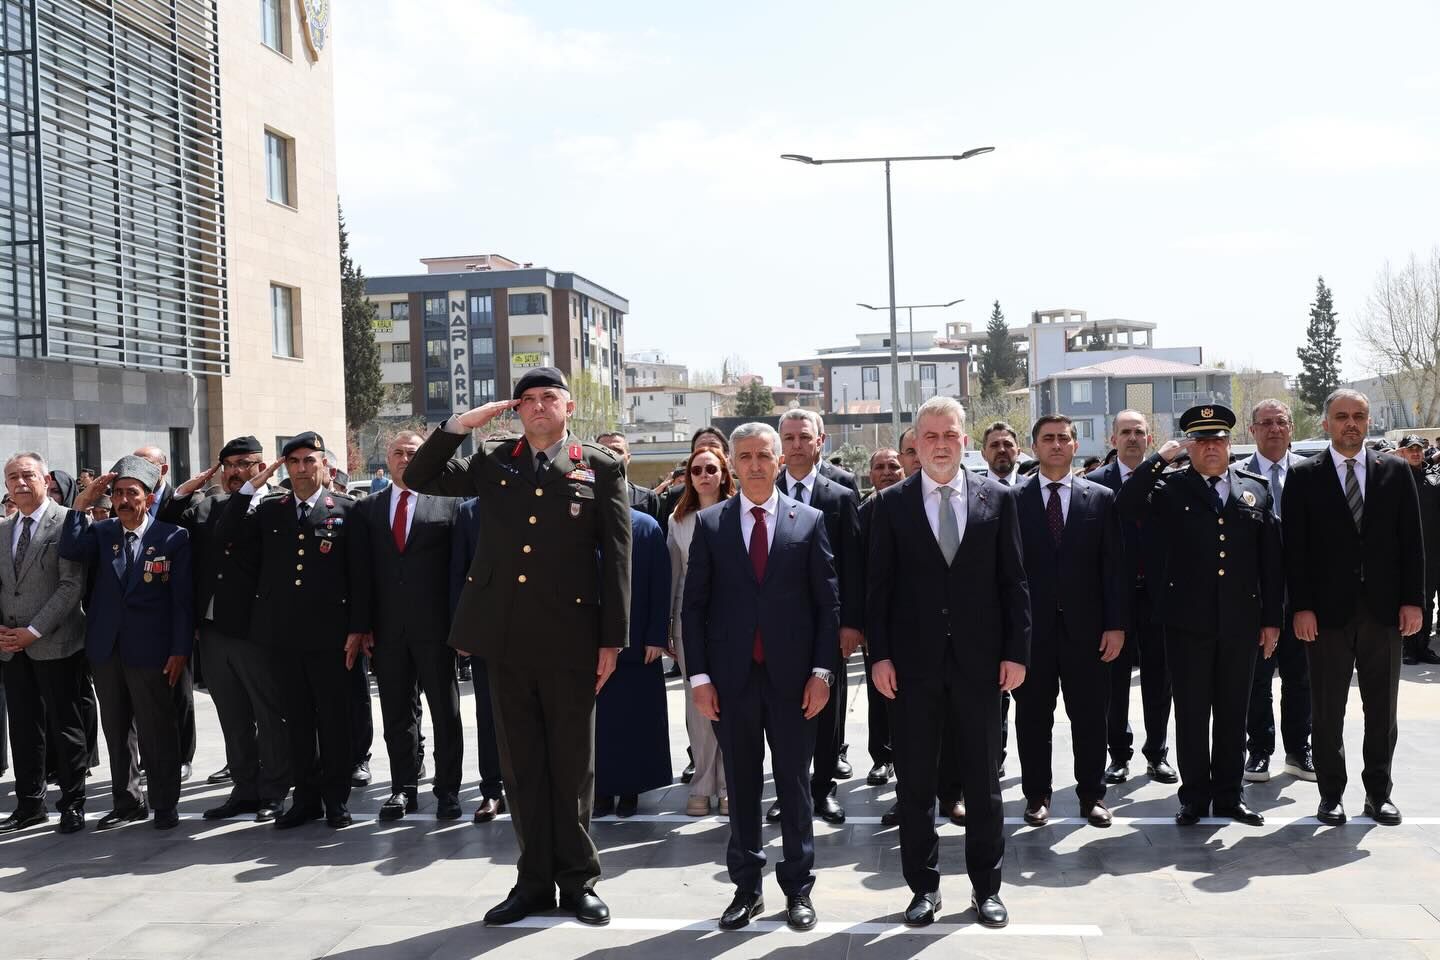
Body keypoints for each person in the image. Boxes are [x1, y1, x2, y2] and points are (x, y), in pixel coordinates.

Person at [404, 367, 632, 928]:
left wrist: (613, 639)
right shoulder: (492, 459)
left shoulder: (598, 467)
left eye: (548, 398)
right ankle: (532, 881)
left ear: (569, 406)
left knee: (572, 766)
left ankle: (579, 881)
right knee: (520, 765)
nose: (536, 407)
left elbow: (618, 558)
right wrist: (462, 424)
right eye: (527, 399)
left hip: (571, 637)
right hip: (502, 636)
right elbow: (419, 475)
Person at [868, 396, 1029, 929]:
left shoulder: (999, 499)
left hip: (982, 667)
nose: (940, 445)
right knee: (915, 785)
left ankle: (988, 888)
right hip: (911, 671)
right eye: (929, 436)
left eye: (950, 435)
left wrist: (1016, 653)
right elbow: (880, 591)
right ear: (915, 443)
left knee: (983, 785)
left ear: (965, 440)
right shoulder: (891, 506)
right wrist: (881, 656)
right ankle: (923, 888)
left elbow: (1014, 584)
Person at [681, 421, 838, 932]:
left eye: (762, 456)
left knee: (794, 787)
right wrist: (700, 678)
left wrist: (822, 673)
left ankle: (798, 890)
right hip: (731, 682)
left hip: (794, 682)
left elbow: (827, 607)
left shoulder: (809, 521)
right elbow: (694, 608)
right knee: (743, 788)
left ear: (778, 461)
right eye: (743, 456)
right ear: (732, 463)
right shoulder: (711, 525)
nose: (753, 465)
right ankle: (746, 889)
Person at [1116, 404, 1283, 826]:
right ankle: (1193, 796)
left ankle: (1229, 795)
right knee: (1191, 712)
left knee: (1233, 711)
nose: (1211, 447)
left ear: (1230, 442)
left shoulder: (1254, 488)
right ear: (1190, 445)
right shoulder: (1170, 488)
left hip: (1240, 621)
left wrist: (1271, 620)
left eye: (1219, 439)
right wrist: (1160, 458)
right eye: (1202, 440)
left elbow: (1270, 563)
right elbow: (1126, 504)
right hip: (1187, 622)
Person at [1282, 389, 1424, 826]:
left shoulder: (1396, 471)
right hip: (1326, 614)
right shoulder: (1305, 475)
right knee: (1327, 709)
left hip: (1383, 611)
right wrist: (1301, 607)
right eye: (1342, 416)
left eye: (1359, 416)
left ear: (1368, 421)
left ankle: (1378, 793)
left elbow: (1412, 543)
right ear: (1326, 423)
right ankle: (1330, 795)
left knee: (1382, 709)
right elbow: (1296, 551)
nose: (1351, 424)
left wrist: (1413, 601)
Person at [218, 432, 371, 830]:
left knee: (334, 721)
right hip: (282, 636)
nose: (302, 468)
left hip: (332, 637)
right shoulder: (270, 509)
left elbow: (362, 575)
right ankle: (305, 800)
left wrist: (358, 628)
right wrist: (251, 485)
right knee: (296, 722)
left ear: (325, 465)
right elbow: (227, 533)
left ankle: (335, 800)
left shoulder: (349, 510)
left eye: (309, 460)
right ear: (284, 467)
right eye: (294, 461)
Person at [158, 436, 290, 822]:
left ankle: (275, 789)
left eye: (245, 464)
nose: (235, 472)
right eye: (228, 465)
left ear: (262, 464)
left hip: (256, 628)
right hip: (213, 630)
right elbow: (166, 526)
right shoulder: (208, 506)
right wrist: (185, 491)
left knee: (268, 714)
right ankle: (245, 788)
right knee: (232, 715)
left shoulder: (278, 504)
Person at [63, 456, 193, 831]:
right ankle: (127, 801)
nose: (122, 500)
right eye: (117, 493)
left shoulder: (172, 537)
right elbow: (70, 550)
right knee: (117, 730)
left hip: (153, 651)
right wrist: (83, 502)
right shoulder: (103, 534)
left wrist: (180, 649)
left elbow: (182, 602)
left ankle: (165, 803)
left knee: (157, 729)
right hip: (107, 650)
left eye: (130, 493)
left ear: (149, 499)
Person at [1013, 416, 1127, 828]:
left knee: (1091, 717)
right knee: (1032, 718)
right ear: (1034, 447)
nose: (1057, 444)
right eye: (1048, 438)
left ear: (1076, 445)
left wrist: (1116, 625)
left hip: (1089, 632)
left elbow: (1113, 567)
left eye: (1064, 438)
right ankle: (1037, 796)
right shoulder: (1014, 498)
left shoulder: (1100, 498)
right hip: (1031, 634)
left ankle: (1092, 795)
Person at [351, 431, 465, 822]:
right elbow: (361, 573)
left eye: (413, 453)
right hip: (387, 631)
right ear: (387, 458)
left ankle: (448, 790)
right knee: (398, 714)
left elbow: (459, 571)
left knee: (445, 712)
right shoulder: (368, 509)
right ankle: (403, 788)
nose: (404, 459)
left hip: (437, 629)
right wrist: (362, 625)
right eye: (398, 453)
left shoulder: (450, 505)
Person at [773, 409, 862, 825]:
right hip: (778, 626)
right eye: (787, 438)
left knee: (828, 710)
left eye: (802, 437)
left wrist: (850, 624)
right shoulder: (764, 489)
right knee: (781, 712)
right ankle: (787, 791)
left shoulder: (841, 494)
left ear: (820, 440)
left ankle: (823, 788)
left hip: (828, 624)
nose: (795, 445)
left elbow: (855, 563)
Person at [0, 453, 89, 834]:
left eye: (28, 475)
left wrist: (33, 630)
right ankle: (29, 804)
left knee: (65, 726)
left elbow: (71, 585)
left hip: (55, 642)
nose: (20, 483)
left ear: (46, 478)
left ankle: (73, 803)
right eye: (12, 478)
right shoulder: (4, 528)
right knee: (23, 728)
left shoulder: (69, 521)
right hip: (10, 645)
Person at [1088, 410, 1177, 786]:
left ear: (1150, 437)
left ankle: (1157, 755)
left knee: (1160, 680)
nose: (1132, 438)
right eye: (1125, 432)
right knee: (1114, 682)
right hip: (1115, 599)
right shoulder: (1096, 483)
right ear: (1112, 440)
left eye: (1139, 432)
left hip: (1158, 598)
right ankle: (1118, 756)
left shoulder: (1170, 480)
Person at [1239, 401, 1316, 783]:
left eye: (1281, 422)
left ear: (1291, 429)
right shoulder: (1237, 475)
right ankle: (1259, 750)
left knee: (1300, 677)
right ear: (1251, 430)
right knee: (1257, 679)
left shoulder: (1310, 474)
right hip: (1255, 599)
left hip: (1302, 596)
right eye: (1265, 423)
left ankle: (1300, 750)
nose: (1274, 429)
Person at [666, 446, 735, 817]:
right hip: (688, 625)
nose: (704, 475)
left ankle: (729, 785)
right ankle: (703, 784)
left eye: (711, 468)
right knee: (699, 708)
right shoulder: (678, 519)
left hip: (734, 624)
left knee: (733, 705)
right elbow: (674, 578)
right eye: (696, 470)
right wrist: (666, 628)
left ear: (724, 473)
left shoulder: (740, 512)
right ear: (689, 477)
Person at [594, 508, 672, 817]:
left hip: (639, 644)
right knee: (598, 725)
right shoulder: (579, 519)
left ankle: (630, 790)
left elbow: (660, 583)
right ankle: (600, 791)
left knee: (634, 721)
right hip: (591, 643)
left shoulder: (646, 526)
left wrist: (656, 636)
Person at [133, 445, 193, 781]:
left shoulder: (183, 501)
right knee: (144, 693)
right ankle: (150, 757)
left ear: (164, 469)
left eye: (147, 464)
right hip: (140, 613)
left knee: (177, 688)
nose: (139, 468)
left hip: (173, 608)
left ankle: (183, 754)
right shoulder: (128, 501)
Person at [449, 497, 506, 822]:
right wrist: (463, 631)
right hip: (487, 631)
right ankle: (492, 790)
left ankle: (531, 788)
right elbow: (459, 573)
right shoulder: (470, 511)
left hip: (537, 627)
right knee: (489, 714)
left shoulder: (543, 496)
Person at [860, 447, 903, 791]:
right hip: (875, 619)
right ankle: (882, 758)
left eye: (894, 466)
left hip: (913, 620)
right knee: (879, 693)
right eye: (880, 467)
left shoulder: (912, 507)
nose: (887, 472)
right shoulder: (862, 513)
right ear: (870, 475)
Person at [1398, 434, 1440, 664]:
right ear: (1402, 451)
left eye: (1419, 449)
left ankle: (1422, 647)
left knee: (1428, 602)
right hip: (1406, 550)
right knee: (1411, 600)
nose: (1416, 453)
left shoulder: (1434, 477)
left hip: (1433, 550)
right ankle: (1409, 648)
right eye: (1410, 449)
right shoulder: (1395, 475)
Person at [596, 432, 660, 518]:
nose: (611, 455)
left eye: (618, 451)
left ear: (628, 458)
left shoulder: (647, 498)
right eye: (604, 450)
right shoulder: (583, 496)